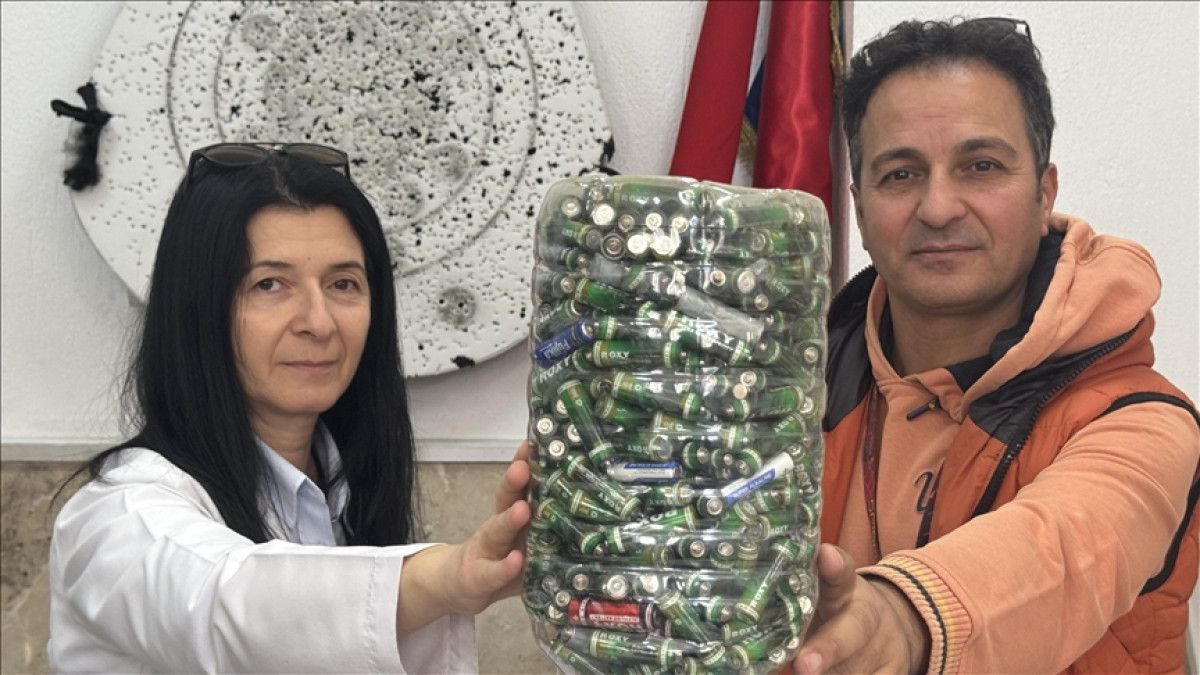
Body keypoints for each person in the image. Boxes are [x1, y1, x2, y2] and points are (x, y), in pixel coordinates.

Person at [792, 17, 1200, 674]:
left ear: (1044, 193)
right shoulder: (784, 397)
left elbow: (1064, 552)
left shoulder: (1146, 422)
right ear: (859, 210)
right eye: (900, 174)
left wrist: (901, 619)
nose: (939, 208)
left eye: (980, 166)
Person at [48, 142, 532, 673]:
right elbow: (223, 606)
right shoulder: (116, 517)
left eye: (343, 284)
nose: (319, 322)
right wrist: (443, 577)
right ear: (198, 310)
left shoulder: (345, 491)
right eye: (270, 285)